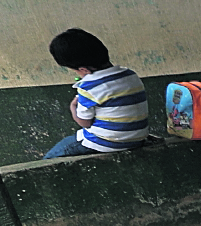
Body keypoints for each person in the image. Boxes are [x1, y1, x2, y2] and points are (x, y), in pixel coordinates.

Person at [43, 29, 149, 158]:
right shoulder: (130, 74)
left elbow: (85, 123)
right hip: (137, 139)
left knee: (51, 157)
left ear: (83, 69)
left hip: (105, 143)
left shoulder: (88, 87)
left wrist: (72, 108)